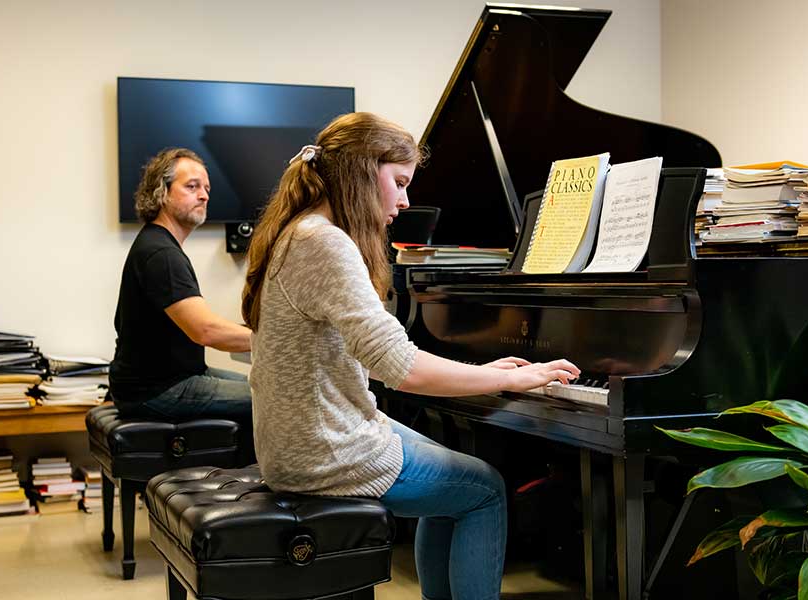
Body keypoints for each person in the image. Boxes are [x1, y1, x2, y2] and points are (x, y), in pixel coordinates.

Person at [241, 113, 580, 599]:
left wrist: (478, 372)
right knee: (484, 491)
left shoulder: (297, 230)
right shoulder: (324, 242)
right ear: (361, 172)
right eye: (399, 182)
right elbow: (400, 368)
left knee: (456, 474)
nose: (405, 201)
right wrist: (501, 378)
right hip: (323, 453)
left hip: (301, 440)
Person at [110, 147, 253, 428]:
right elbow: (206, 330)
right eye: (192, 186)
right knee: (277, 396)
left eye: (206, 189)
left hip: (174, 378)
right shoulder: (161, 253)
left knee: (267, 382)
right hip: (157, 391)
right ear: (161, 192)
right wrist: (273, 339)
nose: (204, 195)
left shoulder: (158, 244)